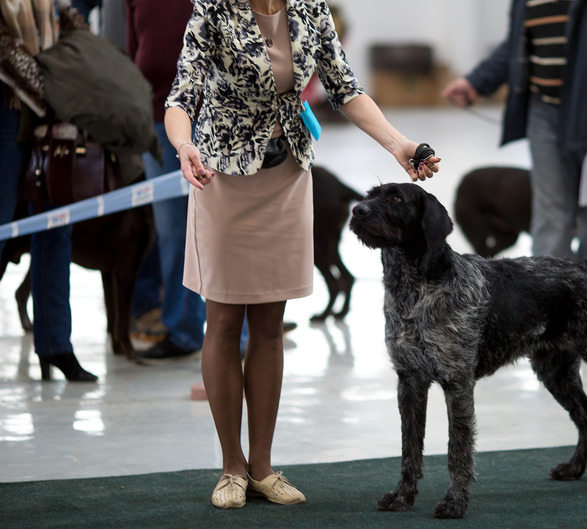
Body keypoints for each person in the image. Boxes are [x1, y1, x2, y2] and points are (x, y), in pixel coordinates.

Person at [165, 0, 440, 509]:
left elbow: (347, 89)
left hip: (288, 175)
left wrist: (399, 145)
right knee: (223, 322)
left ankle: (263, 467)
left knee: (270, 323)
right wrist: (184, 146)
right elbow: (182, 96)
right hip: (220, 175)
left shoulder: (312, 9)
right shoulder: (214, 8)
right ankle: (232, 467)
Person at [441, 0, 587, 260]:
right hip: (543, 110)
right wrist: (477, 81)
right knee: (550, 214)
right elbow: (515, 44)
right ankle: (548, 294)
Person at [0, 1, 97, 382]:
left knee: (56, 223)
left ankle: (56, 345)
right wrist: (51, 90)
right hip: (7, 109)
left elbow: (68, 19)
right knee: (2, 225)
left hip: (46, 111)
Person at [124, 0, 206, 365]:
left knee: (227, 233)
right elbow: (132, 49)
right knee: (173, 234)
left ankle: (244, 334)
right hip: (158, 121)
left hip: (212, 120)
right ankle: (184, 330)